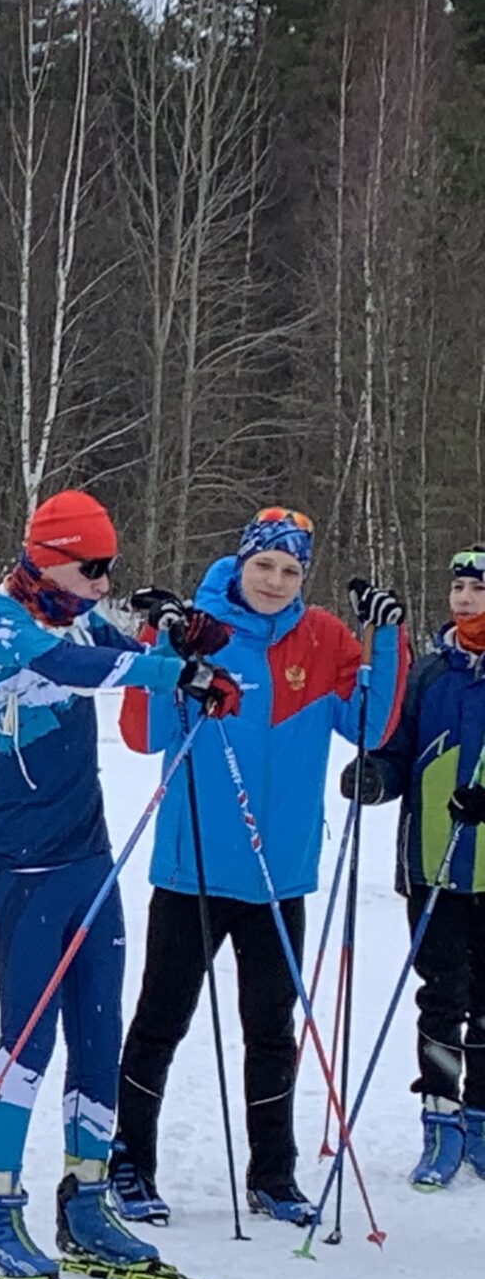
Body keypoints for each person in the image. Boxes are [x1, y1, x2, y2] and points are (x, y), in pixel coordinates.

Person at [0, 487, 235, 1277]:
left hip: (89, 856)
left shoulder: (69, 610)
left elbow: (122, 644)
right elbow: (81, 667)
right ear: (49, 560)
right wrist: (165, 665)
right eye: (93, 567)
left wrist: (180, 637)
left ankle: (85, 1199)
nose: (104, 582)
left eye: (109, 568)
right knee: (29, 1036)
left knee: (98, 1029)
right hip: (23, 861)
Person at [112, 511, 404, 1228]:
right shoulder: (197, 629)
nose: (275, 582)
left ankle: (274, 1174)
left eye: (291, 571)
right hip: (194, 872)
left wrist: (388, 640)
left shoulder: (325, 638)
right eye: (264, 566)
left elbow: (371, 727)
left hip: (281, 877)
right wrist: (158, 644)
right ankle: (129, 1161)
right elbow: (140, 733)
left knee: (272, 1032)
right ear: (240, 563)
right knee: (160, 1020)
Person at [339, 549, 485, 1189]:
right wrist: (375, 777)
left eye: (477, 589)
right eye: (457, 586)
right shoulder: (427, 673)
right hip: (432, 868)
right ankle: (441, 1121)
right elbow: (397, 750)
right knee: (441, 998)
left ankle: (480, 1119)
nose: (464, 598)